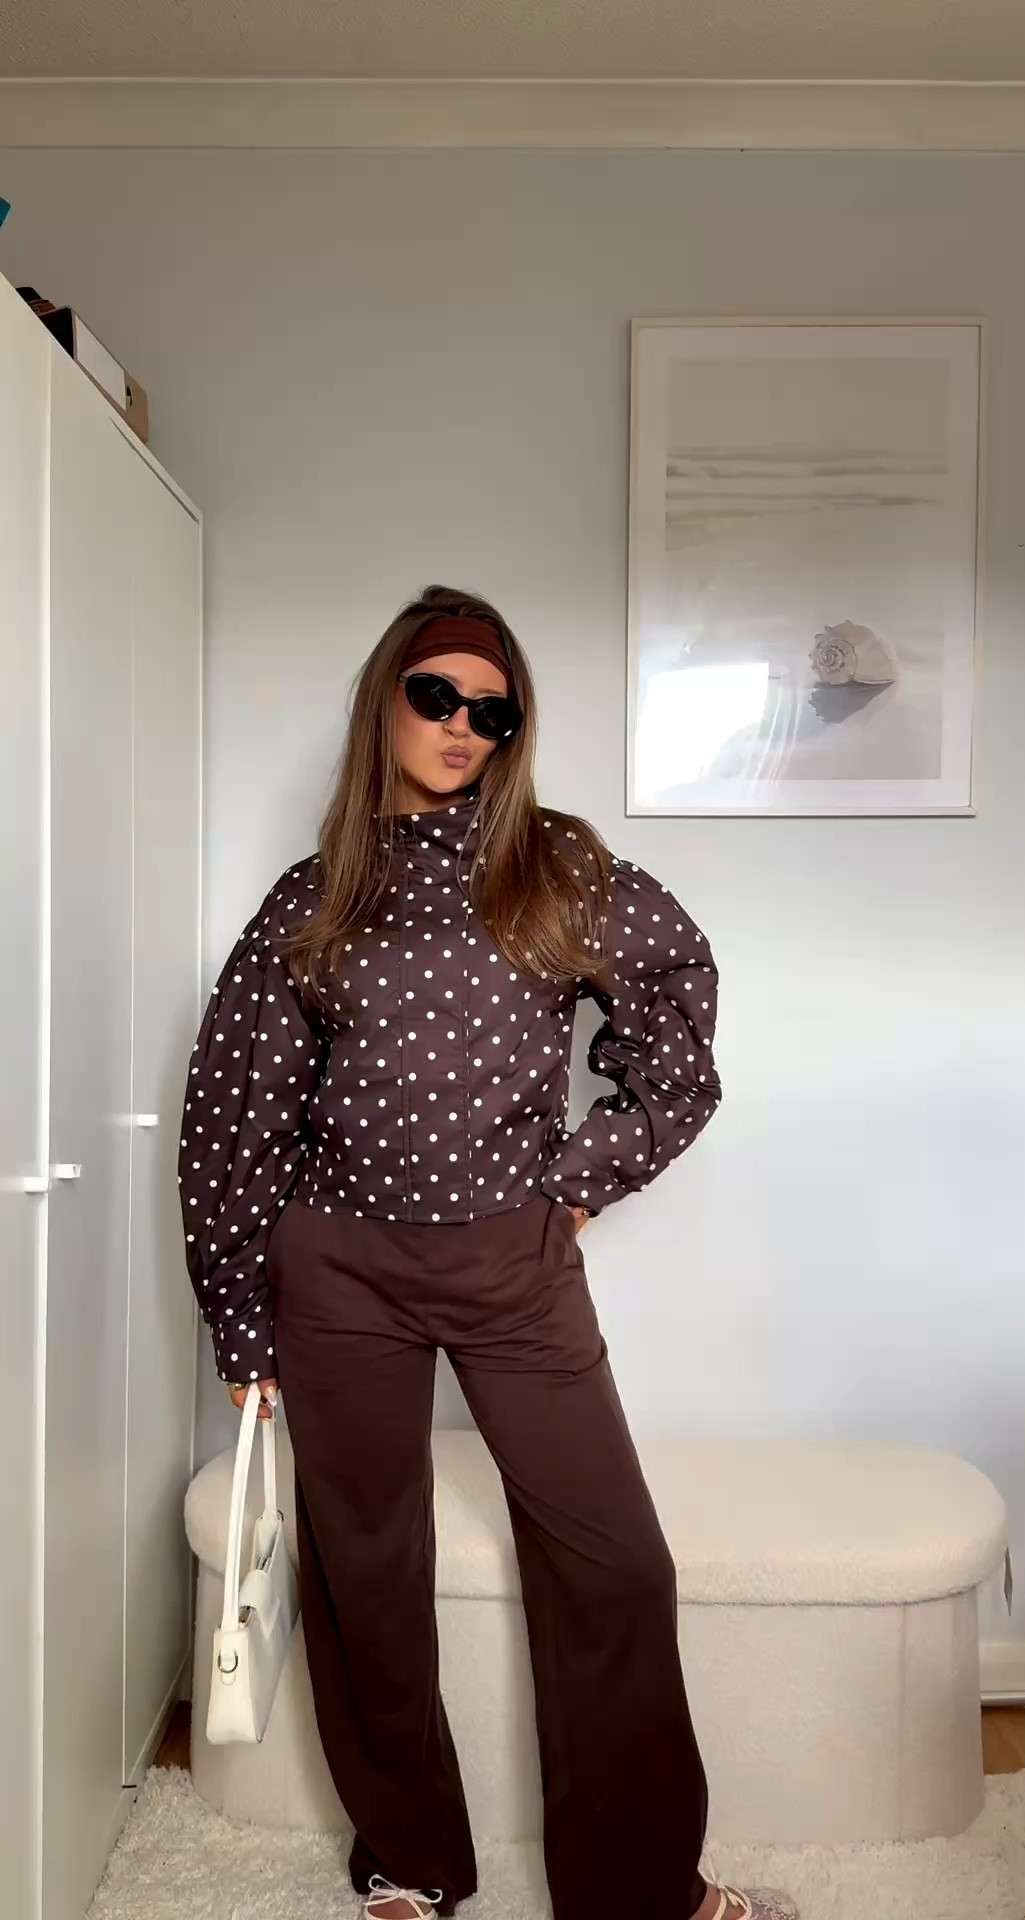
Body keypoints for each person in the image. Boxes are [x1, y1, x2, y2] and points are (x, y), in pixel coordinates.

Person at [179, 586, 798, 1920]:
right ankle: (410, 1859)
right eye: (437, 697)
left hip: (512, 1266)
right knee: (367, 1570)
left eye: (493, 711)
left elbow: (677, 1025)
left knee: (614, 1562)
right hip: (339, 1272)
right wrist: (241, 1314)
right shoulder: (316, 895)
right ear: (385, 704)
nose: (464, 726)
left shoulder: (556, 868)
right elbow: (239, 1108)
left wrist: (576, 1183)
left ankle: (638, 1886)